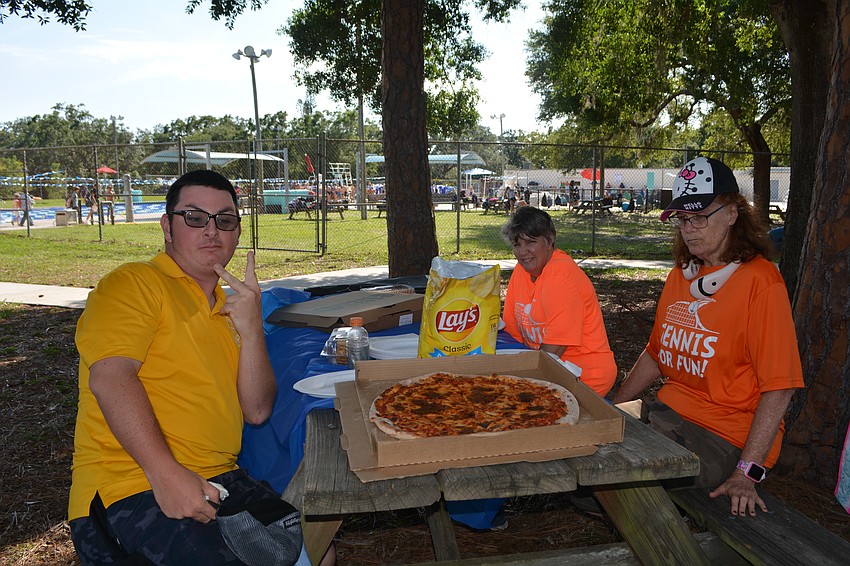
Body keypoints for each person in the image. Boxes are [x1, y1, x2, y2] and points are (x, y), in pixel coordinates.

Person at [68, 170, 315, 565]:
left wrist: (252, 331)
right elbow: (111, 377)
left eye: (225, 219)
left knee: (316, 552)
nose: (211, 230)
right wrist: (166, 473)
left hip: (222, 479)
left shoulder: (229, 308)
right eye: (195, 217)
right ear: (167, 226)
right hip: (132, 482)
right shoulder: (134, 283)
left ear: (236, 231)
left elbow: (256, 410)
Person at [612, 156, 804, 517]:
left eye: (699, 216)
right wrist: (612, 407)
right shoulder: (681, 277)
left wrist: (747, 472)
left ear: (732, 213)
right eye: (683, 219)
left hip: (725, 437)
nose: (689, 228)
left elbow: (781, 386)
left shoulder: (761, 283)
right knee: (591, 444)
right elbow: (656, 355)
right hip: (669, 414)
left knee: (612, 473)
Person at [501, 206, 617, 397]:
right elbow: (513, 338)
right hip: (551, 371)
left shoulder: (561, 276)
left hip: (584, 377)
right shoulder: (520, 271)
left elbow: (553, 352)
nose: (523, 252)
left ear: (550, 240)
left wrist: (521, 388)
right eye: (516, 245)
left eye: (530, 242)